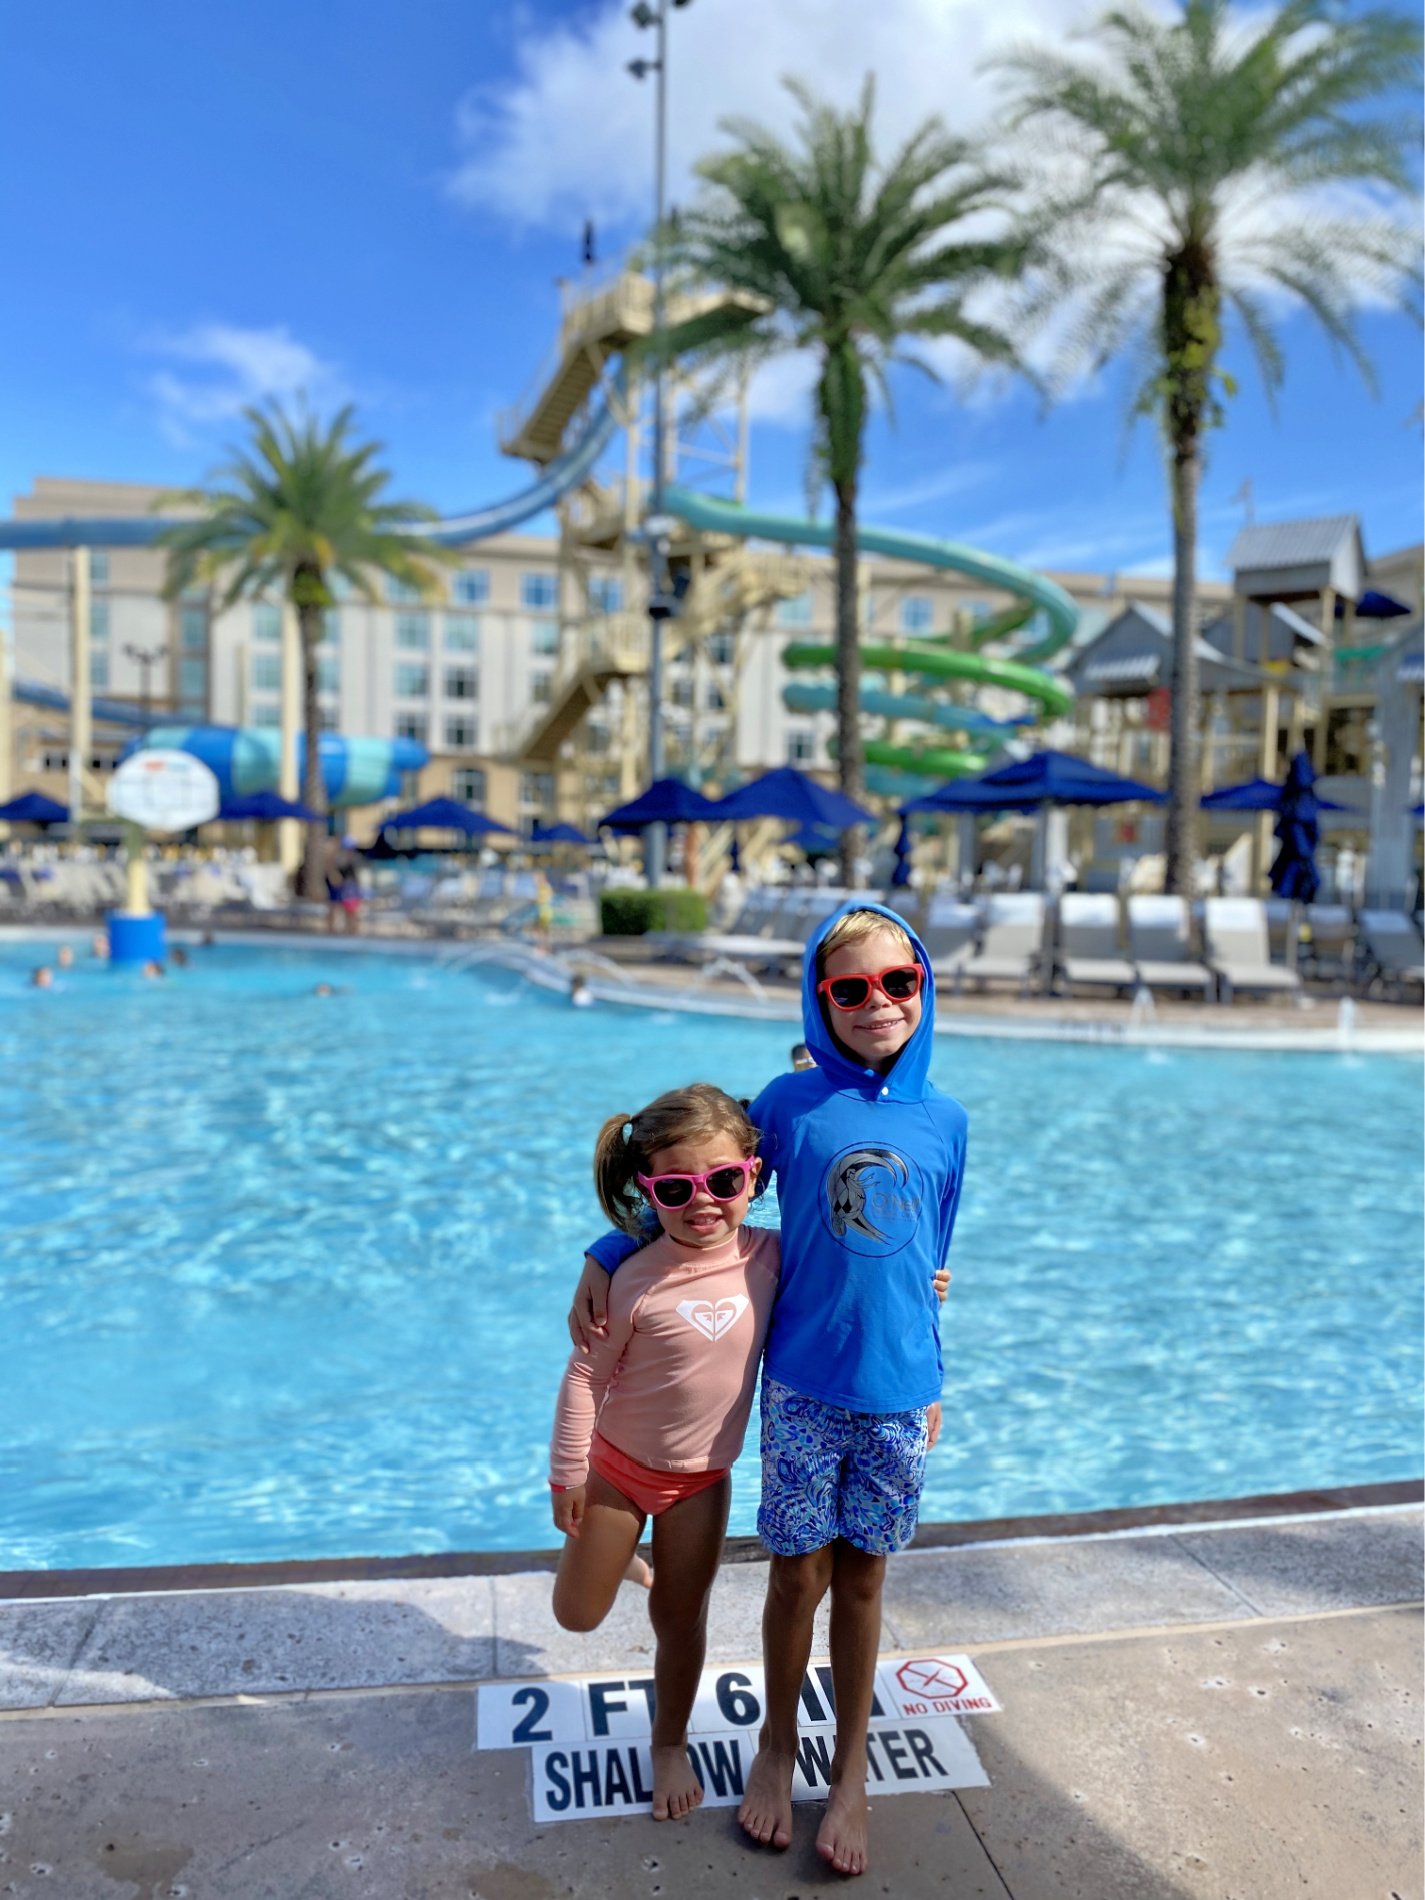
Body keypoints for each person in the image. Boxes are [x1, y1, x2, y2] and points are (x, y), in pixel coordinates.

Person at [569, 902, 966, 1877]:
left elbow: (934, 1255)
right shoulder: (790, 1106)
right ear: (818, 999)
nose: (878, 1004)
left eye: (897, 983)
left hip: (897, 1391)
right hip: (801, 1387)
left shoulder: (948, 1119)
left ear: (923, 987)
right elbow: (703, 1176)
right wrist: (613, 1245)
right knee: (797, 1575)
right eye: (851, 990)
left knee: (866, 1579)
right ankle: (776, 1749)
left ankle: (851, 1771)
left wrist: (933, 1371)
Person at [549, 1084, 779, 1825]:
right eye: (676, 1188)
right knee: (577, 1616)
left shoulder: (773, 1258)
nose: (702, 1202)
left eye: (722, 1181)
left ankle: (669, 1742)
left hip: (702, 1483)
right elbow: (585, 1373)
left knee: (680, 1620)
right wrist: (565, 1474)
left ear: (753, 1173)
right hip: (616, 1473)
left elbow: (855, 1275)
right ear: (648, 1190)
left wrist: (921, 1285)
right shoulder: (630, 1275)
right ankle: (624, 1559)